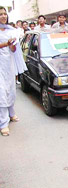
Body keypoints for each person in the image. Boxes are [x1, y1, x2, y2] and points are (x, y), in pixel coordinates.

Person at [0, 6, 18, 136]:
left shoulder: (11, 30)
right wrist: (5, 44)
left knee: (10, 88)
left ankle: (11, 113)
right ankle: (3, 123)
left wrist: (12, 44)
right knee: (1, 92)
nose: (3, 16)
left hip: (9, 64)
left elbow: (13, 50)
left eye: (5, 14)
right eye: (0, 14)